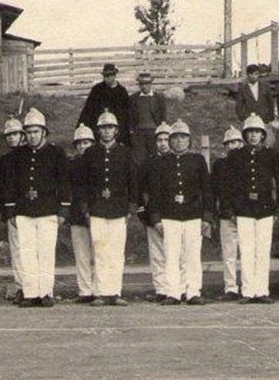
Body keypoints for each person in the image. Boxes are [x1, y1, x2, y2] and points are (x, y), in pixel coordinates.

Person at [3, 108, 70, 308]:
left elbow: (64, 184)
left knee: (46, 252)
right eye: (29, 132)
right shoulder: (18, 155)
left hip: (48, 209)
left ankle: (46, 292)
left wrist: (63, 210)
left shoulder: (56, 153)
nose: (32, 136)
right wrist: (11, 211)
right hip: (24, 210)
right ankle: (30, 293)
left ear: (44, 132)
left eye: (36, 132)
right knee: (26, 253)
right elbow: (10, 184)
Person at [149, 120, 213, 306]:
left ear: (189, 140)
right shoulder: (161, 162)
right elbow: (155, 192)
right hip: (169, 216)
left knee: (193, 256)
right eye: (175, 137)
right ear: (170, 141)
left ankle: (193, 291)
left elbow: (207, 190)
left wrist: (207, 217)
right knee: (171, 255)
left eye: (183, 137)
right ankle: (173, 293)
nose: (179, 141)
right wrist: (156, 218)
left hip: (193, 215)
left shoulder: (198, 160)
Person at [81, 109, 137, 307]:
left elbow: (133, 182)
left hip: (118, 208)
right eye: (103, 128)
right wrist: (86, 208)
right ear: (98, 131)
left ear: (116, 130)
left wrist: (130, 206)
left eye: (110, 127)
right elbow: (84, 184)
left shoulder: (125, 153)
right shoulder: (90, 153)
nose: (107, 131)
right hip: (97, 208)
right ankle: (100, 292)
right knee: (99, 249)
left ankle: (115, 292)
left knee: (116, 251)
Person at [223, 113, 279, 304]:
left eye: (257, 132)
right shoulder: (236, 156)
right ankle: (247, 291)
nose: (254, 135)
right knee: (246, 249)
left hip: (265, 208)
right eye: (250, 132)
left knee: (262, 250)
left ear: (263, 135)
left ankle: (261, 290)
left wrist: (276, 208)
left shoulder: (271, 155)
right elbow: (229, 184)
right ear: (245, 135)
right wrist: (231, 207)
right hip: (244, 208)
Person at [138, 121, 172, 302]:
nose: (163, 143)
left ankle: (177, 287)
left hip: (176, 215)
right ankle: (161, 289)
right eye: (160, 140)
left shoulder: (177, 161)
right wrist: (144, 213)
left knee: (176, 255)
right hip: (154, 215)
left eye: (167, 139)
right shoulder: (148, 163)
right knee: (157, 255)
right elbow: (140, 190)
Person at [211, 126, 244, 301]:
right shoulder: (220, 165)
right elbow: (218, 190)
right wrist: (224, 211)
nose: (234, 145)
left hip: (246, 214)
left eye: (238, 142)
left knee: (247, 253)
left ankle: (248, 286)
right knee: (229, 254)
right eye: (231, 142)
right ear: (225, 145)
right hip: (226, 214)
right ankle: (230, 287)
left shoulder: (248, 164)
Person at [0, 116, 26, 304]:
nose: (11, 138)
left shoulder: (29, 156)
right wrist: (7, 212)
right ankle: (21, 287)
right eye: (8, 135)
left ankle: (36, 287)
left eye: (15, 134)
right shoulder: (5, 160)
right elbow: (3, 189)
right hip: (13, 211)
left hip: (32, 209)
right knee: (17, 250)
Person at [69, 123, 97, 303]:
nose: (82, 147)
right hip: (77, 214)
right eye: (79, 143)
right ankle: (85, 290)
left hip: (98, 213)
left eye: (86, 143)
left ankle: (99, 288)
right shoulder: (71, 164)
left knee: (99, 252)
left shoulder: (100, 162)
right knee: (82, 253)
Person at [78, 63, 131, 145]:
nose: (108, 78)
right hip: (99, 128)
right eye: (106, 76)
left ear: (115, 75)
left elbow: (126, 113)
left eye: (110, 75)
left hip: (116, 129)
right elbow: (88, 109)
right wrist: (82, 124)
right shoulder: (97, 90)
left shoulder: (122, 91)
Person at [128, 72, 167, 165]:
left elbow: (163, 115)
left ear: (151, 84)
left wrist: (162, 129)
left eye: (146, 84)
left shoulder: (158, 97)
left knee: (155, 156)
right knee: (139, 158)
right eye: (141, 84)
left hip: (154, 131)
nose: (144, 86)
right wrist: (132, 132)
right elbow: (130, 117)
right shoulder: (133, 98)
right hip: (139, 133)